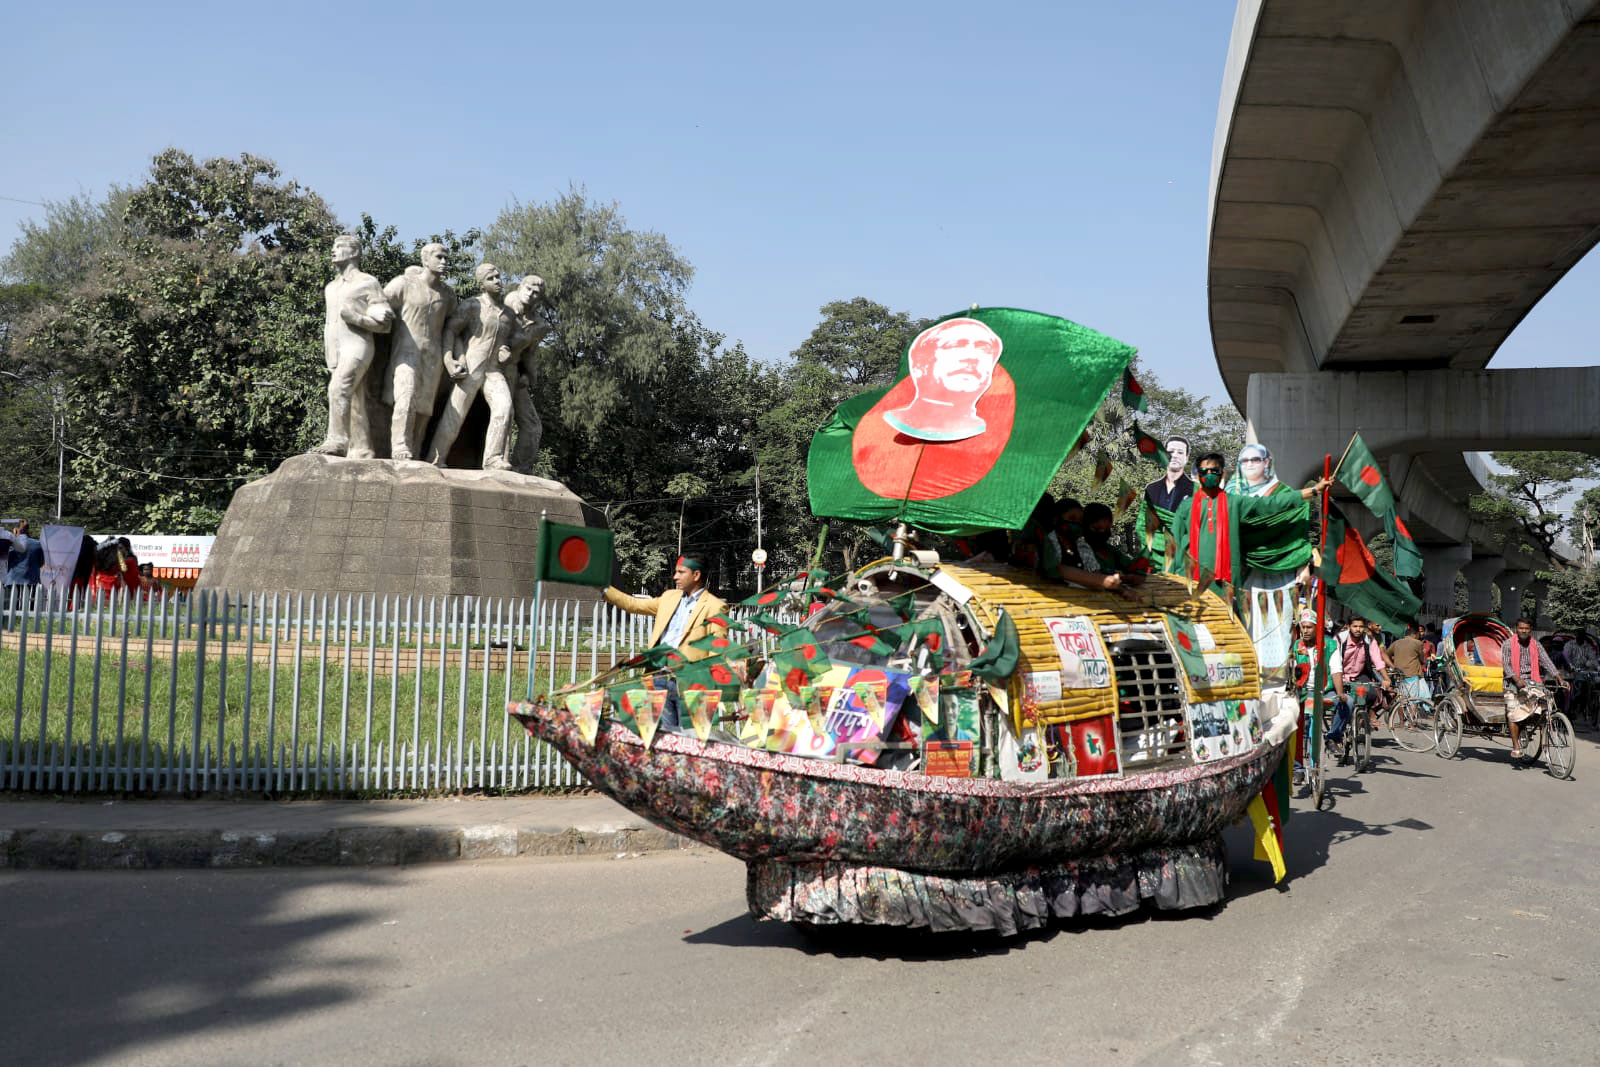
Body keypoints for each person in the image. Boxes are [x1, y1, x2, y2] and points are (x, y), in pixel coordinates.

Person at [1166, 451, 1329, 610]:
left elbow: (1271, 504)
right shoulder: (1186, 506)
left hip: (1225, 583)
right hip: (1190, 582)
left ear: (1222, 474)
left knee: (1225, 633)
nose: (1209, 474)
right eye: (1204, 471)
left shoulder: (1235, 503)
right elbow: (1173, 544)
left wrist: (1313, 491)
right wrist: (1169, 583)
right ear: (1198, 473)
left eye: (1214, 471)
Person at [604, 556, 729, 728]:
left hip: (691, 686)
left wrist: (711, 689)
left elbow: (716, 650)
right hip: (658, 679)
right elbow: (633, 604)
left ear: (696, 575)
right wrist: (602, 588)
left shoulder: (715, 606)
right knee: (662, 739)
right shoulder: (669, 597)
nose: (675, 577)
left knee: (690, 742)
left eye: (680, 572)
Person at [427, 263, 518, 470]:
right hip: (471, 366)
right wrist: (449, 360)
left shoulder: (508, 314)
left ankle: (493, 459)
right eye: (491, 278)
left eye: (498, 277)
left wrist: (506, 350)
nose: (497, 281)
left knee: (504, 408)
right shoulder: (471, 305)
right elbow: (450, 331)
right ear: (481, 284)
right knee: (454, 414)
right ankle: (435, 458)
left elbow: (508, 342)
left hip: (494, 369)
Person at [313, 234, 394, 459]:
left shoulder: (367, 282)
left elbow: (385, 324)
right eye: (333, 246)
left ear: (355, 253)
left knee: (338, 389)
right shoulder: (330, 287)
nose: (334, 250)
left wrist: (357, 318)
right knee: (356, 401)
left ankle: (337, 441)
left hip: (357, 346)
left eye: (339, 246)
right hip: (334, 349)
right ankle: (362, 450)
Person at [383, 242, 458, 461]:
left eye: (445, 258)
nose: (443, 262)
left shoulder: (448, 295)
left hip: (432, 357)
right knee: (405, 397)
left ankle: (414, 453)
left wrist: (452, 357)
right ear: (425, 260)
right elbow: (379, 303)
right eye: (438, 257)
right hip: (406, 352)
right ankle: (399, 446)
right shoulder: (404, 284)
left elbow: (452, 328)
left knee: (424, 409)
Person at [882, 318, 1002, 442]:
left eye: (984, 348)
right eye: (955, 345)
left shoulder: (996, 436)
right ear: (921, 365)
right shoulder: (876, 425)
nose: (972, 356)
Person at [1502, 616, 1564, 760]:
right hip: (1512, 682)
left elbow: (1546, 661)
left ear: (1530, 630)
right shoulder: (1507, 644)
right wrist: (1516, 679)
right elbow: (1506, 664)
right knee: (1513, 713)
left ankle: (1544, 737)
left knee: (1544, 706)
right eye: (1521, 628)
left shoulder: (1536, 644)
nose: (1523, 631)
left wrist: (1558, 677)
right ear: (1516, 629)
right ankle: (1516, 747)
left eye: (1526, 628)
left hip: (1533, 682)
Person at [1292, 608, 1348, 759]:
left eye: (1309, 627)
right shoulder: (1296, 646)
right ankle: (1297, 768)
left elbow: (1336, 670)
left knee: (1347, 704)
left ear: (1317, 628)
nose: (1305, 630)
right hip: (1303, 691)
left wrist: (1340, 693)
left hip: (1325, 689)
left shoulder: (1330, 645)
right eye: (1302, 627)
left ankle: (1332, 737)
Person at [1139, 436, 1192, 559]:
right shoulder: (1151, 489)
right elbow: (1146, 527)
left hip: (1184, 556)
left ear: (1186, 458)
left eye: (1180, 452)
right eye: (1171, 452)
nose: (1175, 455)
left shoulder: (1196, 490)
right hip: (1156, 556)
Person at [1338, 616, 1393, 727]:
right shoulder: (1340, 639)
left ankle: (1362, 715)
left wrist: (1386, 679)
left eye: (1361, 627)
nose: (1358, 629)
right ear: (1349, 627)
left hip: (1360, 675)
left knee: (1372, 694)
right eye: (1355, 626)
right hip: (1340, 674)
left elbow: (1378, 660)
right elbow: (1334, 662)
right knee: (1341, 702)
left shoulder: (1369, 640)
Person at [1387, 620, 1429, 704]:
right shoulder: (1417, 643)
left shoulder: (1396, 642)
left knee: (1400, 700)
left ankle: (1402, 718)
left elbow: (1386, 655)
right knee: (1413, 700)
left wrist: (1393, 665)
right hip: (1412, 674)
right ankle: (1413, 717)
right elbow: (1421, 660)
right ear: (1414, 634)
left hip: (1398, 675)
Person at [5, 519, 45, 596]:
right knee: (30, 606)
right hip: (32, 581)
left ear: (15, 530)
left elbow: (6, 561)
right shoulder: (38, 544)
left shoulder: (11, 544)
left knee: (11, 606)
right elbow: (41, 563)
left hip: (12, 581)